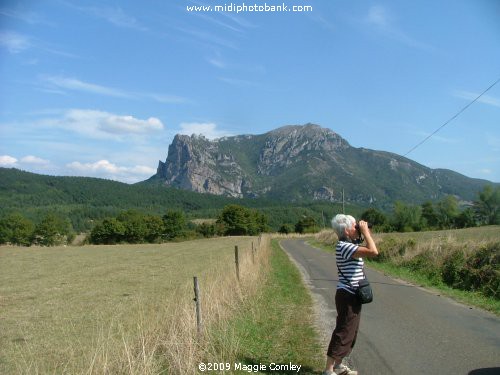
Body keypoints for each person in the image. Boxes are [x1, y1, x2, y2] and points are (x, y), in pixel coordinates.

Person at [322, 214, 379, 375]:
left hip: (352, 295)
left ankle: (338, 366)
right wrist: (366, 232)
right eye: (355, 226)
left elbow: (366, 245)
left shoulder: (349, 244)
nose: (358, 229)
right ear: (347, 230)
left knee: (351, 333)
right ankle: (328, 370)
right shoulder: (344, 247)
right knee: (343, 331)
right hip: (347, 295)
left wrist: (363, 230)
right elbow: (373, 251)